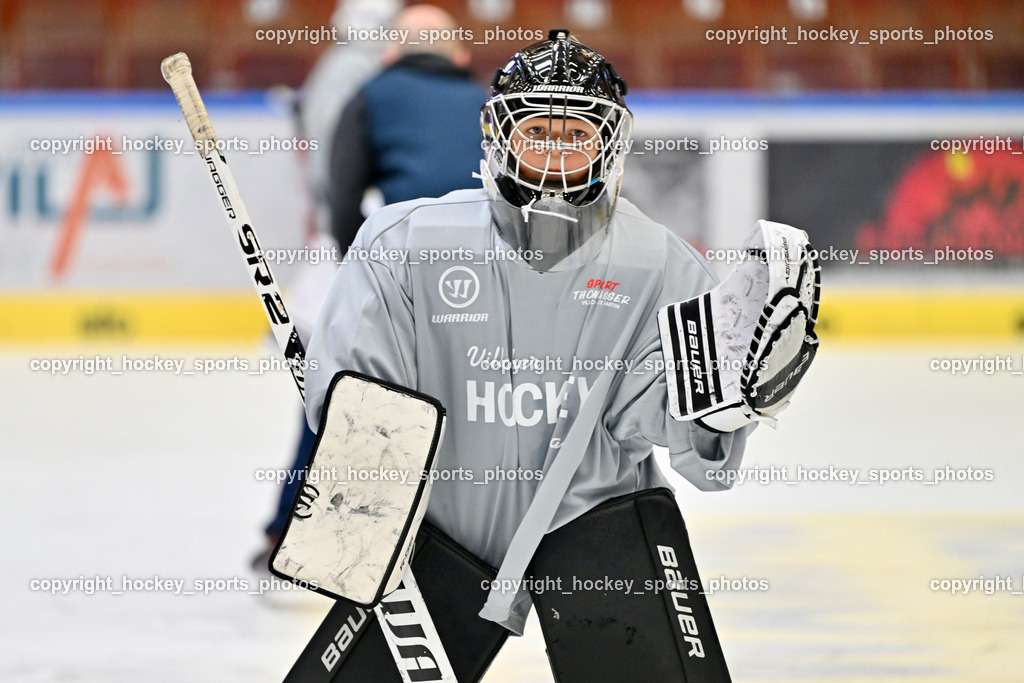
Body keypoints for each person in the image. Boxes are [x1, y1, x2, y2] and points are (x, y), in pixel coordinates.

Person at [301, 30, 817, 678]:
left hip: (594, 525)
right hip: (438, 531)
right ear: (499, 133)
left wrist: (725, 406)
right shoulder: (407, 242)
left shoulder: (658, 262)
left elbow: (684, 439)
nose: (554, 152)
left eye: (576, 135)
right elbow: (359, 406)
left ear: (610, 141)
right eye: (538, 130)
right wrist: (347, 407)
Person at [254, 4, 487, 571]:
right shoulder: (492, 104)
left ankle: (294, 532)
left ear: (387, 53)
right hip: (480, 285)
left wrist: (365, 275)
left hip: (392, 277)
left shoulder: (369, 94)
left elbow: (340, 201)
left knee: (338, 399)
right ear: (460, 54)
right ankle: (466, 541)